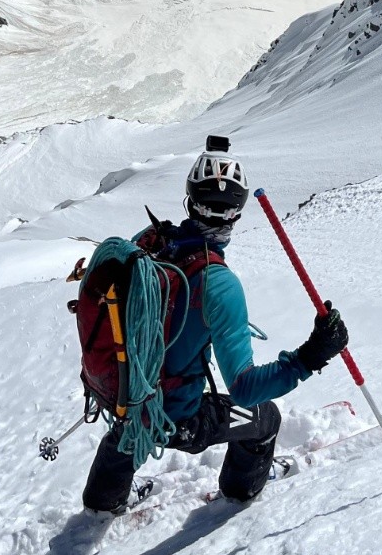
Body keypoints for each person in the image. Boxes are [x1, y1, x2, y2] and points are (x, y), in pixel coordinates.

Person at [81, 139, 349, 513]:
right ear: (237, 214)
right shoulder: (220, 285)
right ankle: (241, 494)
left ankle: (101, 502)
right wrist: (309, 357)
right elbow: (245, 388)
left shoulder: (150, 246)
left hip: (127, 397)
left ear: (190, 199)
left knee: (130, 427)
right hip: (179, 418)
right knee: (265, 418)